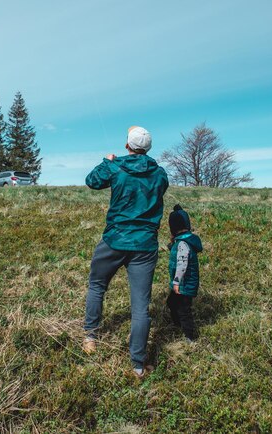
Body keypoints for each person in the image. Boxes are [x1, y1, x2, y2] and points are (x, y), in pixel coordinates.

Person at [83, 126, 169, 378]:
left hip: (114, 240)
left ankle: (90, 337)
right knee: (141, 307)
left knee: (97, 286)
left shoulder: (115, 166)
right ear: (148, 148)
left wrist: (105, 162)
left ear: (127, 145)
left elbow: (92, 182)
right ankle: (138, 366)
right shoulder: (160, 174)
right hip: (144, 245)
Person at [167, 204, 203, 342]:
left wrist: (176, 282)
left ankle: (189, 336)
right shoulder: (184, 240)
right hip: (184, 283)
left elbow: (182, 264)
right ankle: (177, 325)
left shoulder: (182, 243)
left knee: (184, 310)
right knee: (171, 302)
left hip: (184, 284)